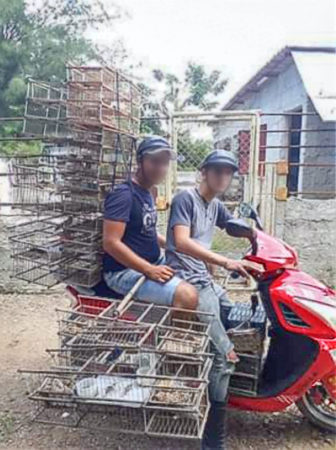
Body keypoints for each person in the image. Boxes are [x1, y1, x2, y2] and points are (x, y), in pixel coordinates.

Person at [166, 149, 261, 450]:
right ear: (204, 172)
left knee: (239, 318)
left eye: (228, 172)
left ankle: (231, 385)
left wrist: (257, 234)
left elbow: (233, 225)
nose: (223, 176)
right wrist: (225, 262)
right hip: (187, 281)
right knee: (224, 355)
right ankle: (212, 440)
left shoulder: (215, 204)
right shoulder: (186, 199)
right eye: (217, 170)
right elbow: (181, 241)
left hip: (206, 281)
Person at [102, 135, 198, 310]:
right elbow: (110, 242)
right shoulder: (123, 195)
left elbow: (148, 231)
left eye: (165, 163)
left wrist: (179, 248)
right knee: (187, 295)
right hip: (123, 272)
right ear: (140, 161)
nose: (161, 168)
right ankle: (176, 336)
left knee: (198, 271)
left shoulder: (149, 191)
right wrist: (148, 269)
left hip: (154, 261)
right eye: (155, 161)